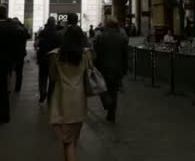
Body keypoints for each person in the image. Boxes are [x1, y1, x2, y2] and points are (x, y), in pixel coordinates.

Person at [49, 13, 91, 161]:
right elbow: (89, 74)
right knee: (74, 140)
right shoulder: (85, 55)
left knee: (68, 143)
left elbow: (52, 77)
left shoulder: (56, 55)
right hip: (79, 100)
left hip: (62, 101)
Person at [0, 6, 21, 125]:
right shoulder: (13, 28)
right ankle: (6, 115)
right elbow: (16, 47)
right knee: (4, 90)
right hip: (7, 63)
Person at [94, 17, 128, 122]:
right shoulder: (122, 38)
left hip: (103, 69)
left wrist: (95, 67)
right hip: (117, 69)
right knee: (113, 91)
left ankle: (108, 104)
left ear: (107, 25)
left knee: (102, 89)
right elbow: (125, 56)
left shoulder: (100, 38)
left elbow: (96, 54)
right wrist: (124, 70)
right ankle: (111, 114)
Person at [36, 17, 59, 103]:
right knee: (52, 78)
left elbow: (37, 44)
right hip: (53, 59)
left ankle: (43, 92)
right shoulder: (57, 33)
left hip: (43, 58)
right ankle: (50, 96)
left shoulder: (42, 32)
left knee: (42, 77)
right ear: (54, 23)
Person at [12, 18, 32, 93]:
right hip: (20, 53)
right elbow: (28, 36)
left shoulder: (11, 30)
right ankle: (18, 87)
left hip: (12, 53)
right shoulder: (22, 30)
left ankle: (9, 87)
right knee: (19, 72)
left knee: (11, 71)